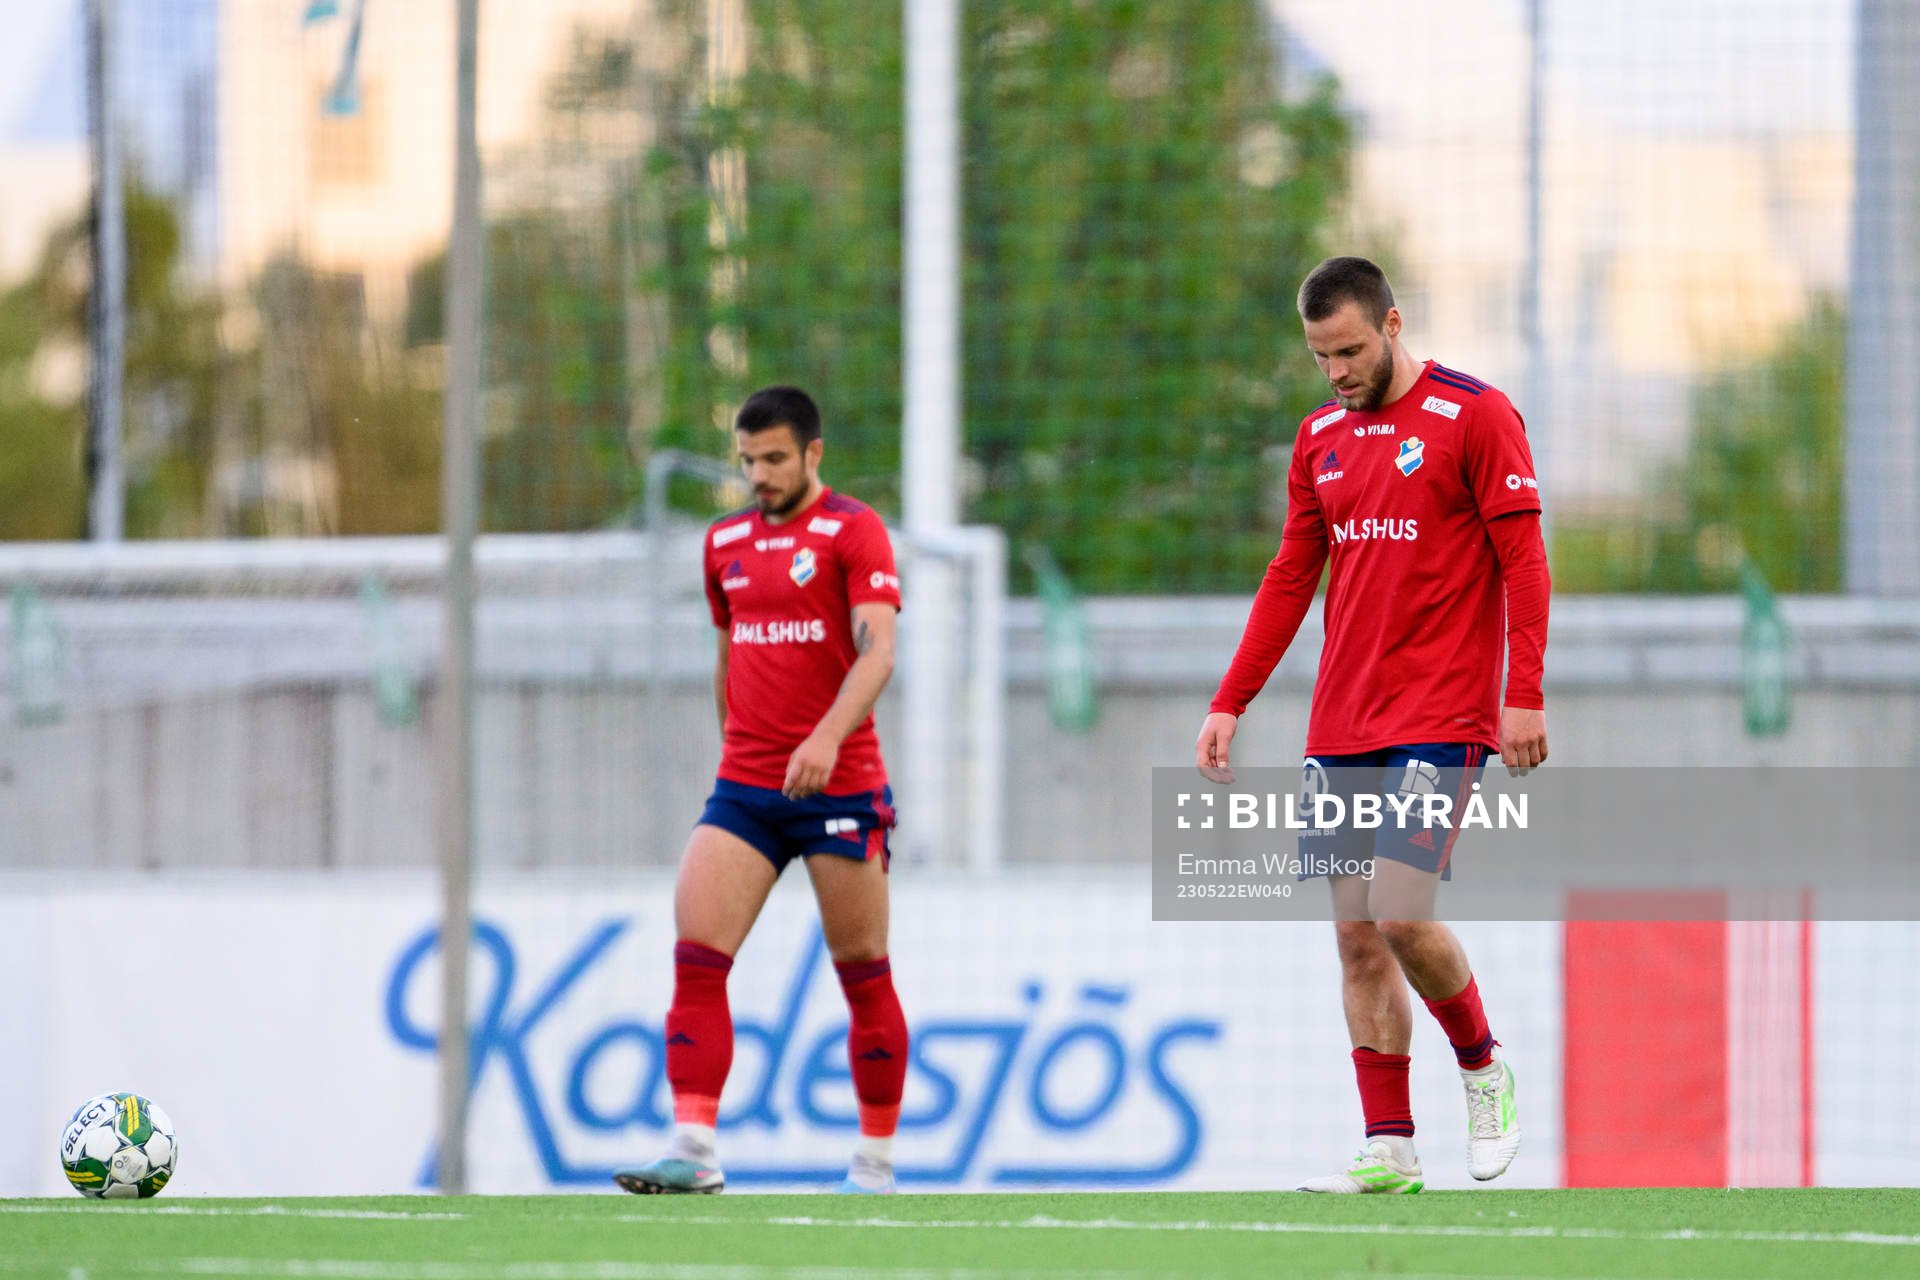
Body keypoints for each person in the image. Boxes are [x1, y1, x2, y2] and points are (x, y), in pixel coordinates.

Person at [1195, 257, 1550, 1194]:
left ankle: (1483, 1066)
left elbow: (1524, 561)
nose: (1337, 372)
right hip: (1342, 720)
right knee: (1355, 934)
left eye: (1350, 350)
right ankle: (1389, 1143)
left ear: (1393, 324)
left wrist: (1527, 692)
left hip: (1441, 711)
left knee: (1401, 910)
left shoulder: (1475, 415)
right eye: (1320, 357)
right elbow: (1288, 577)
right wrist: (1231, 700)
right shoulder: (1318, 439)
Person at [614, 385, 907, 1196]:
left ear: (813, 452)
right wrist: (736, 751)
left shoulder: (853, 531)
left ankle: (875, 1163)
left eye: (774, 458)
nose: (759, 475)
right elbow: (728, 654)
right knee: (697, 960)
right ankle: (695, 1148)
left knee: (863, 972)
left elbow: (878, 652)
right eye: (747, 460)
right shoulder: (724, 542)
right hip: (746, 787)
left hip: (840, 786)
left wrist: (824, 737)